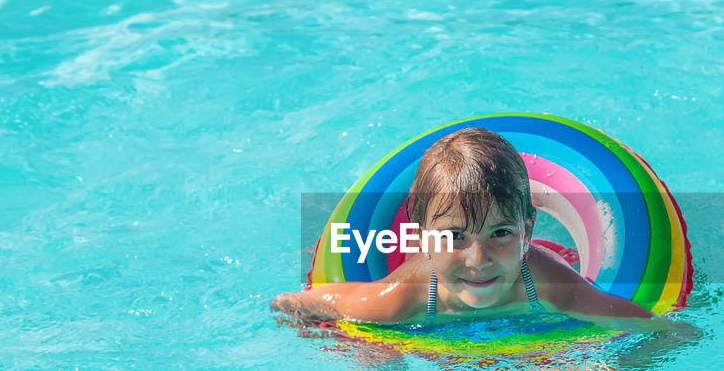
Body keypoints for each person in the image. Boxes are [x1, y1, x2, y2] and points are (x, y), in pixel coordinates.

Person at [271, 127, 678, 329]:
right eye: (453, 237)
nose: (478, 259)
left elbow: (660, 332)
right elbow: (304, 304)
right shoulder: (403, 298)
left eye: (500, 233)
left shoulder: (551, 284)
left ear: (527, 231)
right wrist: (366, 353)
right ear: (418, 235)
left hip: (557, 258)